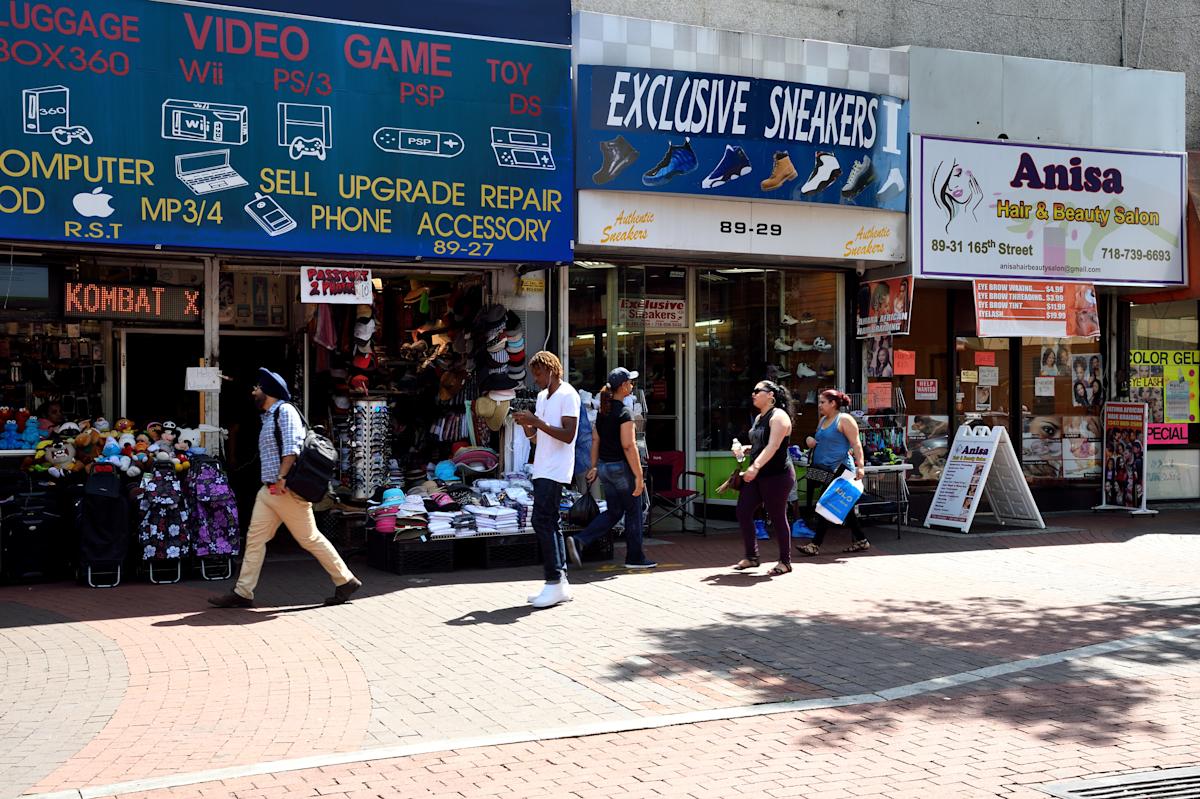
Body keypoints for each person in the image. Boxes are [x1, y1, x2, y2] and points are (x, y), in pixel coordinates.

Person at [208, 368, 361, 608]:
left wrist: (281, 478)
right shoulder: (269, 415)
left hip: (285, 489)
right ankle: (243, 591)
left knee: (309, 538)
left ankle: (346, 579)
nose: (254, 391)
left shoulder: (285, 411)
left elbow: (292, 448)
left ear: (268, 391)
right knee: (256, 539)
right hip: (269, 490)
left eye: (257, 387)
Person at [566, 367, 655, 570]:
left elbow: (596, 440)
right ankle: (635, 557)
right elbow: (628, 446)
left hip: (605, 468)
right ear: (623, 386)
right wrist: (639, 476)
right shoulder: (625, 413)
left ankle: (581, 539)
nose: (632, 386)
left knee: (614, 511)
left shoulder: (603, 412)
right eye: (630, 382)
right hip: (620, 468)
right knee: (633, 510)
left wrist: (594, 466)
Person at [513, 351, 580, 608]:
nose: (536, 379)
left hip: (556, 468)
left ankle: (554, 581)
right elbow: (539, 439)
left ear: (551, 369)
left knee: (541, 520)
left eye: (539, 373)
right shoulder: (542, 397)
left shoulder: (568, 394)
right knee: (550, 521)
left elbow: (568, 435)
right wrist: (527, 427)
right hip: (542, 467)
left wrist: (536, 422)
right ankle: (559, 582)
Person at [731, 379, 795, 576]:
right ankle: (752, 557)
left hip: (777, 475)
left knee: (777, 517)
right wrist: (745, 448)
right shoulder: (760, 418)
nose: (753, 394)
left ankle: (785, 561)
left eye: (757, 390)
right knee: (743, 511)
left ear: (770, 395)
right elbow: (761, 444)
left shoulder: (779, 417)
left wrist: (755, 466)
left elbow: (774, 446)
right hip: (758, 474)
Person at [796, 389, 869, 556]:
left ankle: (815, 545)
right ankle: (861, 540)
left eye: (823, 402)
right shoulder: (822, 420)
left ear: (833, 403)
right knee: (844, 507)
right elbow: (818, 441)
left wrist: (861, 466)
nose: (819, 405)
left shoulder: (844, 419)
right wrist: (809, 440)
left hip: (840, 470)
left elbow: (856, 444)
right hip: (822, 469)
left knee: (826, 503)